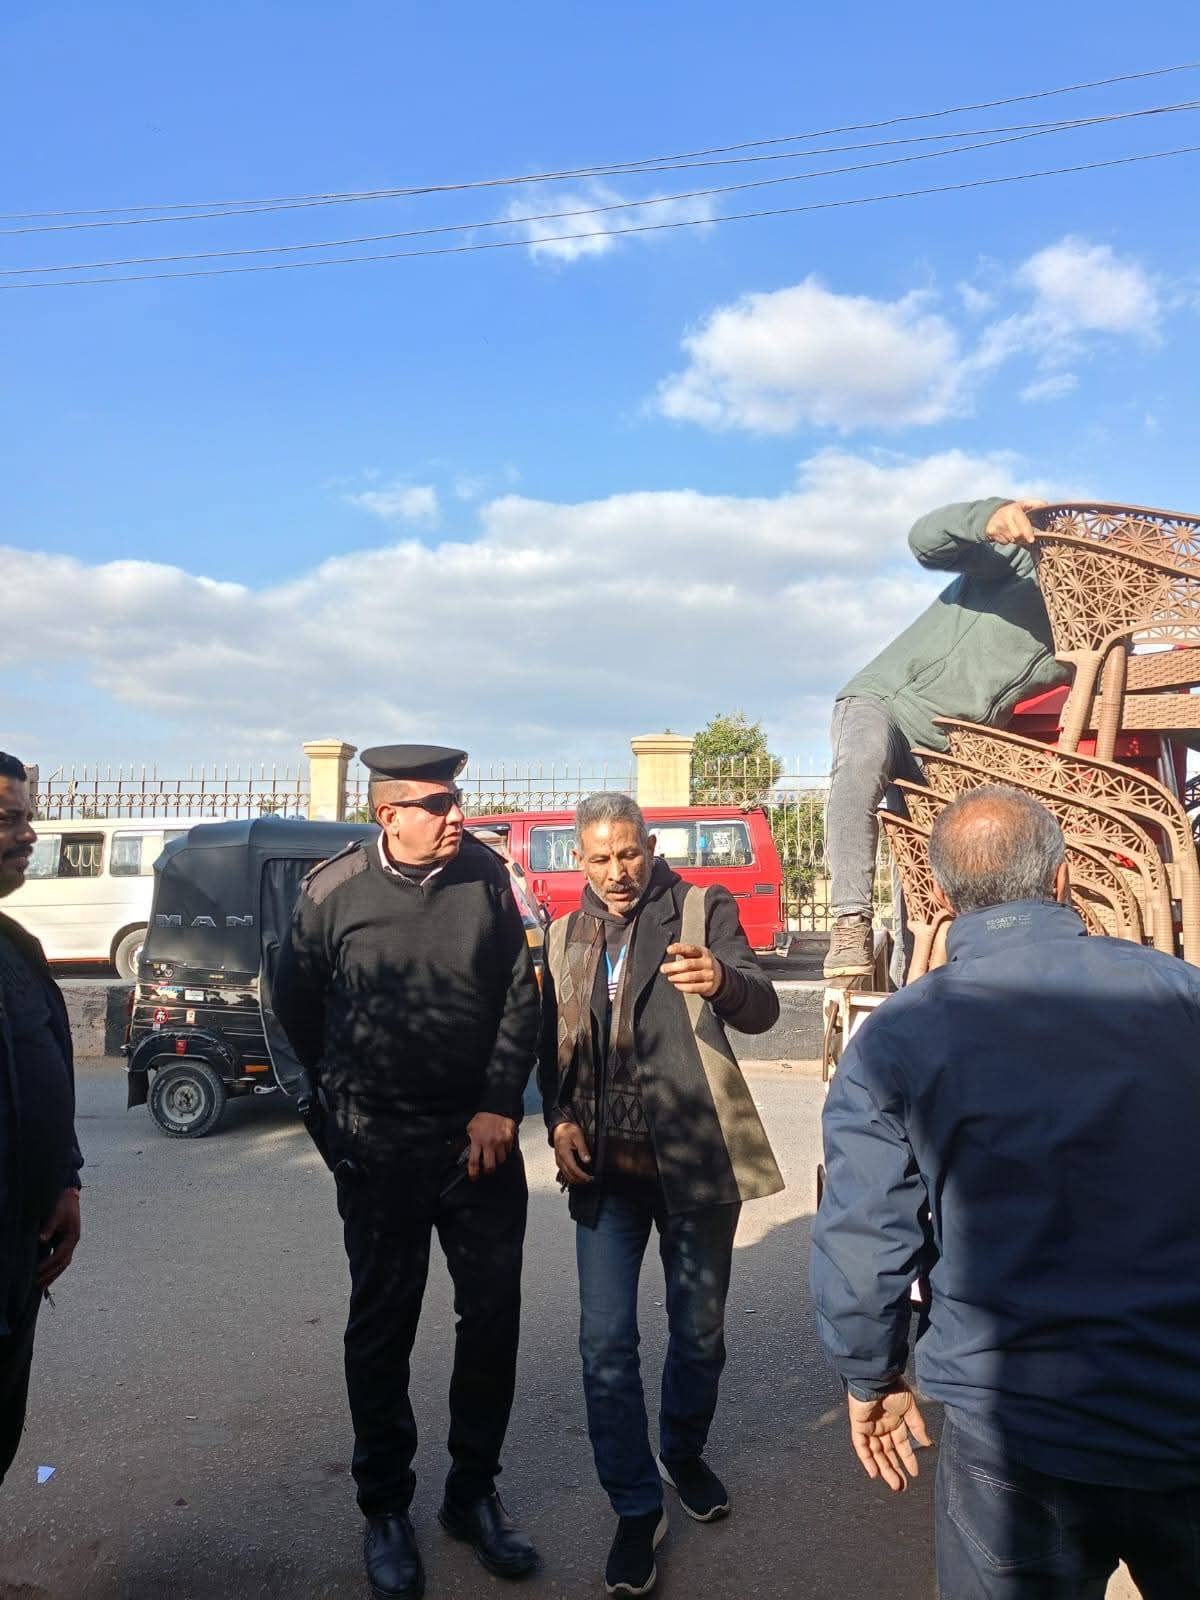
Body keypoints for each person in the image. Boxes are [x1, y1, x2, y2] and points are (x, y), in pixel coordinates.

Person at [811, 785, 1200, 1598]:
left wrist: (871, 1375)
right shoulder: (1182, 996)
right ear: (1062, 879)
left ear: (942, 896)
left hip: (1014, 1427)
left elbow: (866, 1237)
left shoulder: (896, 1037)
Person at [273, 744, 541, 1599]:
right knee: (382, 1329)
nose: (456, 815)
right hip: (379, 1151)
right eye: (437, 804)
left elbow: (520, 992)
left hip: (479, 1147)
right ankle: (385, 1508)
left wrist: (499, 1102)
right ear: (388, 814)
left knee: (491, 1320)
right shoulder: (333, 892)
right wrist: (334, 1126)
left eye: (457, 798)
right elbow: (293, 1010)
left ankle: (473, 1494)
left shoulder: (486, 878)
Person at [539, 792, 783, 1597]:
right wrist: (558, 1120)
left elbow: (762, 1006)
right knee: (605, 1343)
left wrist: (723, 982)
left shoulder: (701, 908)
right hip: (604, 1173)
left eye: (630, 853)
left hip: (696, 1162)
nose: (617, 871)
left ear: (649, 847)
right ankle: (635, 1506)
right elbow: (552, 1046)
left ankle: (682, 1450)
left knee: (699, 1332)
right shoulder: (564, 934)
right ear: (579, 860)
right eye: (600, 858)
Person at [823, 495, 1070, 983]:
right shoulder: (1022, 564)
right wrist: (990, 516)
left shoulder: (1081, 637)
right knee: (860, 767)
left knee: (930, 863)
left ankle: (909, 983)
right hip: (886, 700)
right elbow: (925, 541)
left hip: (945, 748)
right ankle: (850, 920)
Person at [0, 752, 83, 1488]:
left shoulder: (17, 950)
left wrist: (65, 1180)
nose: (28, 835)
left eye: (27, 817)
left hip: (18, 1252)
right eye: (8, 819)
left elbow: (46, 1066)